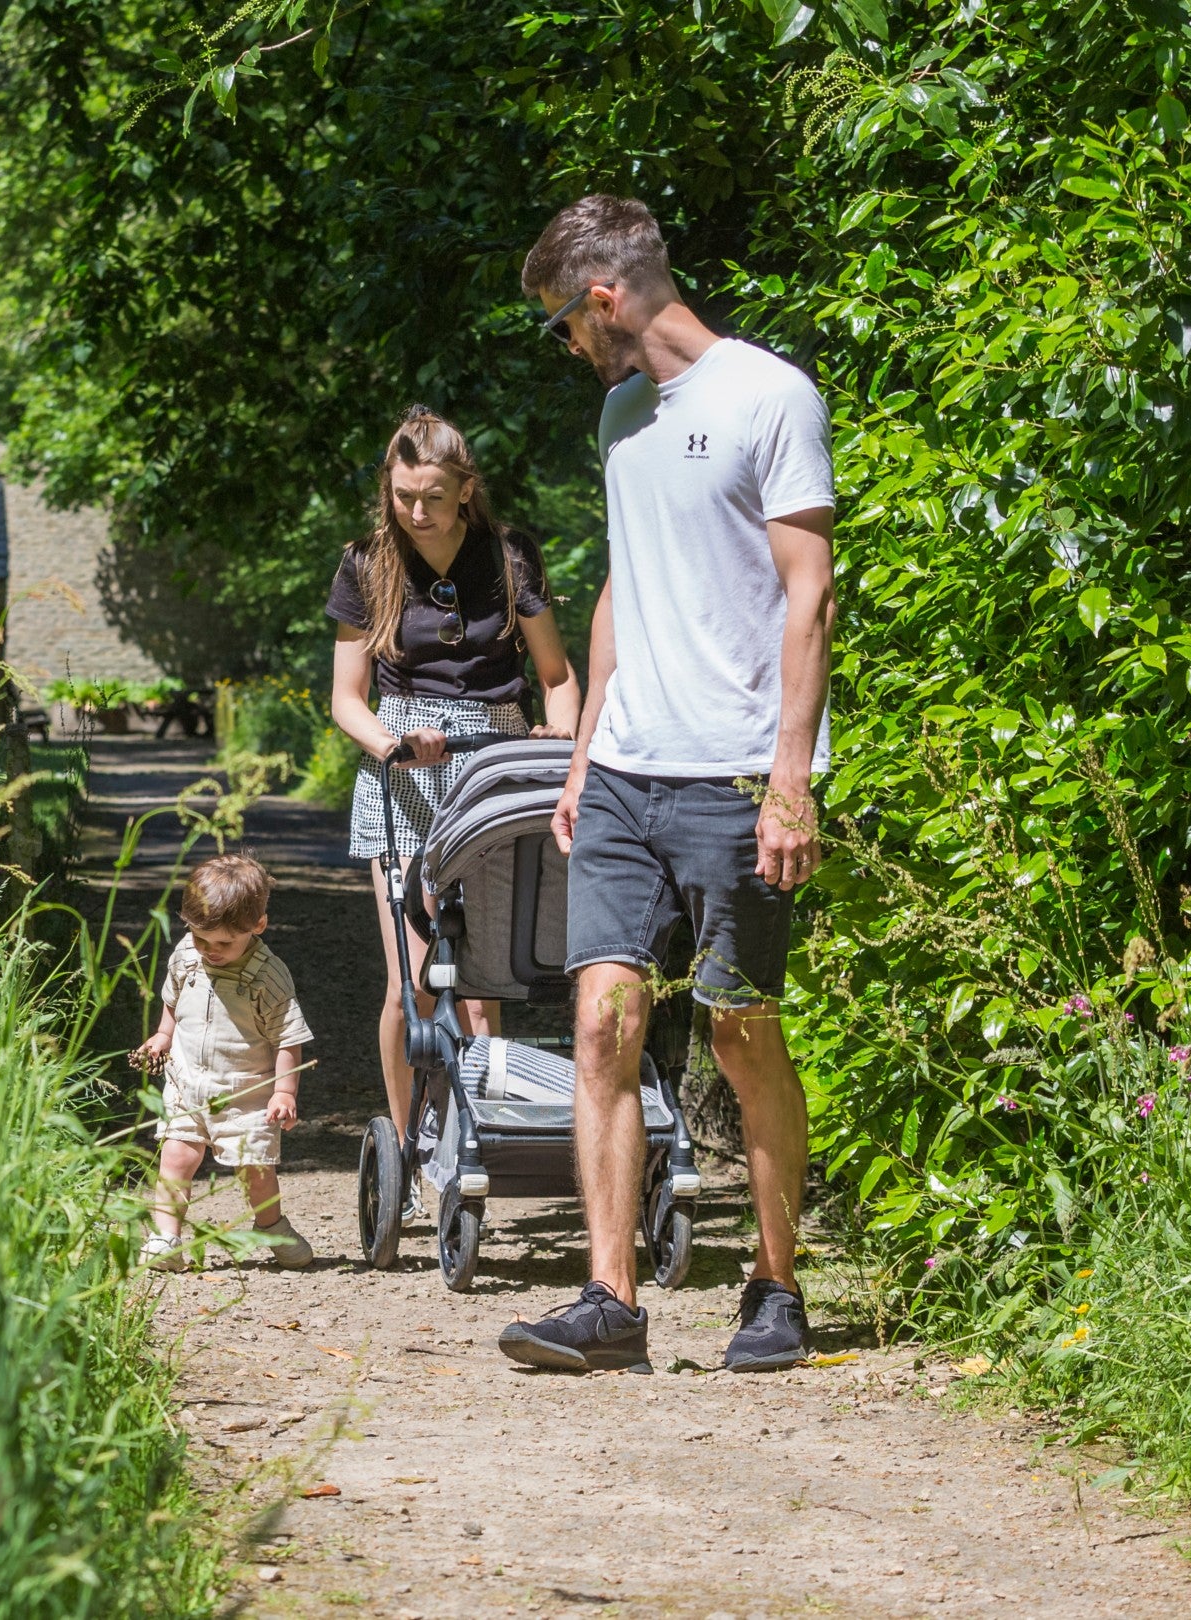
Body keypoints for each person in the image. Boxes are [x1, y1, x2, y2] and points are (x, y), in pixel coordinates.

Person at [494, 196, 837, 1374]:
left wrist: (790, 779)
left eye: (561, 326)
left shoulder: (769, 396)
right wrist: (581, 752)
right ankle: (610, 1302)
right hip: (628, 772)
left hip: (735, 771)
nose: (566, 351)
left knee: (741, 1033)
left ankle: (777, 1286)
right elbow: (619, 590)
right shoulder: (621, 415)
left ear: (603, 300)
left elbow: (811, 592)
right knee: (601, 1022)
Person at [325, 405, 582, 1166]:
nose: (417, 512)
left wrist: (560, 736)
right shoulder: (366, 564)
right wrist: (394, 742)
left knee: (483, 976)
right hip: (406, 773)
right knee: (415, 979)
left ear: (465, 489)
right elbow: (347, 697)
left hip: (494, 759)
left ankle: (481, 1135)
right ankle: (407, 1144)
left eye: (434, 497)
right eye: (404, 496)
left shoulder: (508, 556)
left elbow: (556, 677)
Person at [134, 853, 317, 1271]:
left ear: (258, 926)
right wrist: (164, 1036)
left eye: (223, 943)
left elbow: (288, 1037)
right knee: (175, 1158)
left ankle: (272, 1225)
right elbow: (172, 997)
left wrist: (284, 1091)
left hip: (246, 1093)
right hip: (187, 1083)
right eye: (201, 938)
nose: (210, 950)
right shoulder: (186, 954)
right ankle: (167, 1239)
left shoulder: (268, 976)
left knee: (255, 1169)